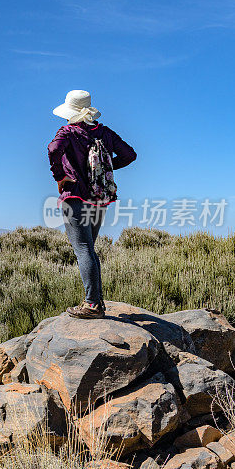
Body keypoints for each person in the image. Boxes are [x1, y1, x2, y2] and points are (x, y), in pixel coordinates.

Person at [47, 90, 137, 318]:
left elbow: (53, 149)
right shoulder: (105, 132)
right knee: (89, 249)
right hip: (99, 198)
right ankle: (96, 302)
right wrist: (103, 169)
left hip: (75, 196)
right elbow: (129, 155)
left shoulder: (68, 132)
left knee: (83, 249)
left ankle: (92, 305)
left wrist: (60, 176)